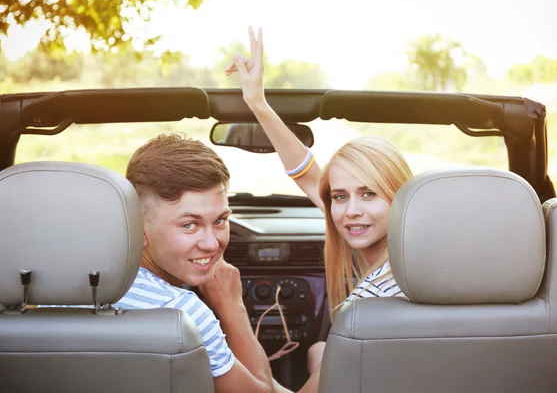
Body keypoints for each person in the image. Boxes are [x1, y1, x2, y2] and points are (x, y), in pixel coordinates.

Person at [225, 27, 414, 392]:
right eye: (340, 197)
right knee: (319, 349)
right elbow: (313, 179)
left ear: (400, 197)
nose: (349, 212)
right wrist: (258, 103)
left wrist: (229, 314)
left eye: (369, 194)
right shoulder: (433, 265)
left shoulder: (367, 307)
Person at [120, 133, 275, 393]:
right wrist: (231, 306)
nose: (212, 244)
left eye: (219, 221)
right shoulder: (183, 314)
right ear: (139, 228)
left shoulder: (59, 290)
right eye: (189, 225)